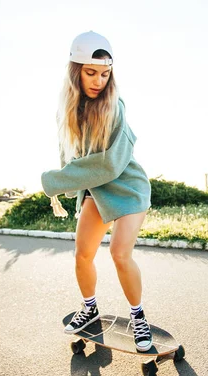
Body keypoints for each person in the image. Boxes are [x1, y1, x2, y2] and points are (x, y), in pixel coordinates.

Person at [41, 31, 153, 352]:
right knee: (83, 254)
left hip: (129, 189)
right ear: (75, 71)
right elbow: (69, 152)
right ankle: (89, 309)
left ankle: (138, 317)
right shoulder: (68, 111)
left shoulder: (115, 107)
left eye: (105, 74)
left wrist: (56, 180)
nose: (98, 81)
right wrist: (68, 188)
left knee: (119, 253)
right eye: (91, 73)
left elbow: (107, 166)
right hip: (97, 193)